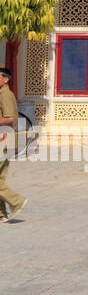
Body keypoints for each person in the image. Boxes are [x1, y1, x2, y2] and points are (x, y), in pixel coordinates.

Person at [0, 67, 27, 221]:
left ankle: (16, 202)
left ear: (6, 79)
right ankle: (1, 214)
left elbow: (9, 118)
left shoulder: (5, 95)